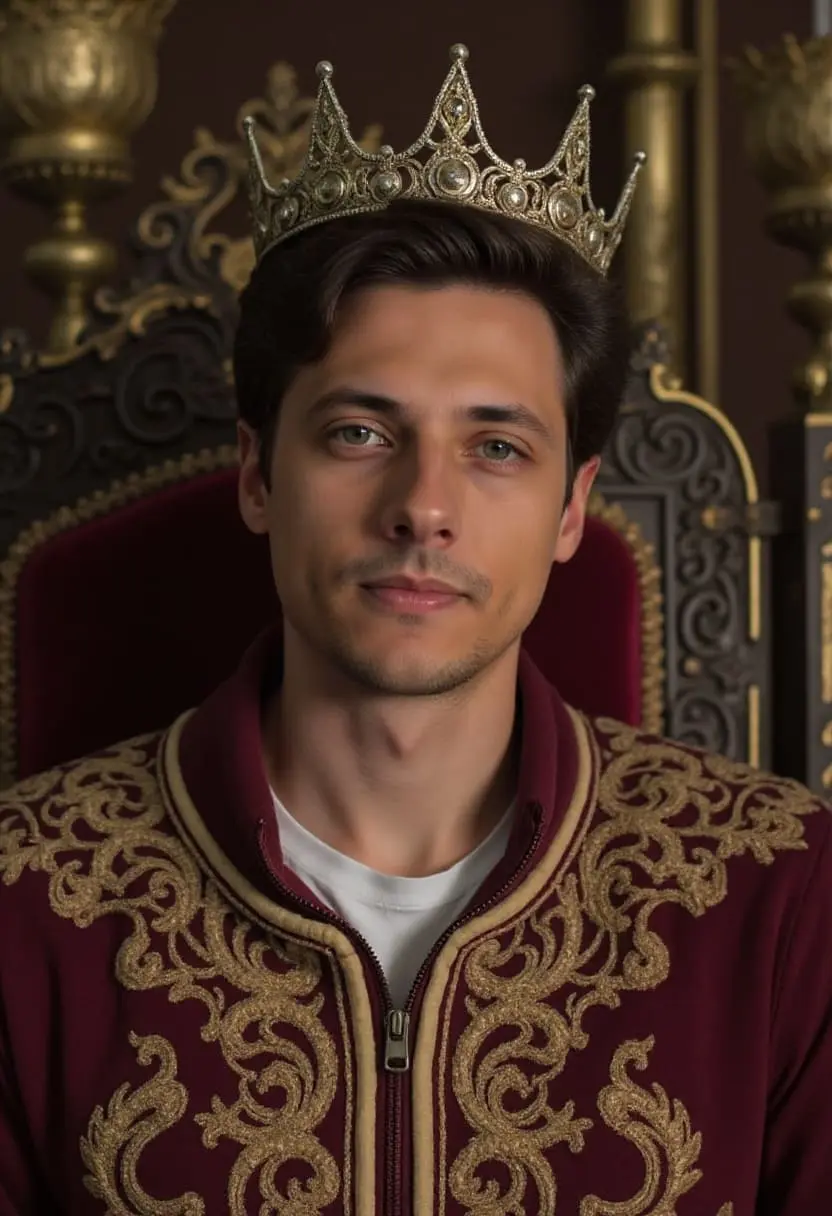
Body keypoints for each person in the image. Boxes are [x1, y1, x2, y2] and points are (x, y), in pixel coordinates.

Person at [0, 44, 830, 1216]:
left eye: (496, 447)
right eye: (358, 432)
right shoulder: (28, 900)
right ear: (255, 475)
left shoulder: (780, 895)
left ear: (570, 510)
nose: (422, 507)